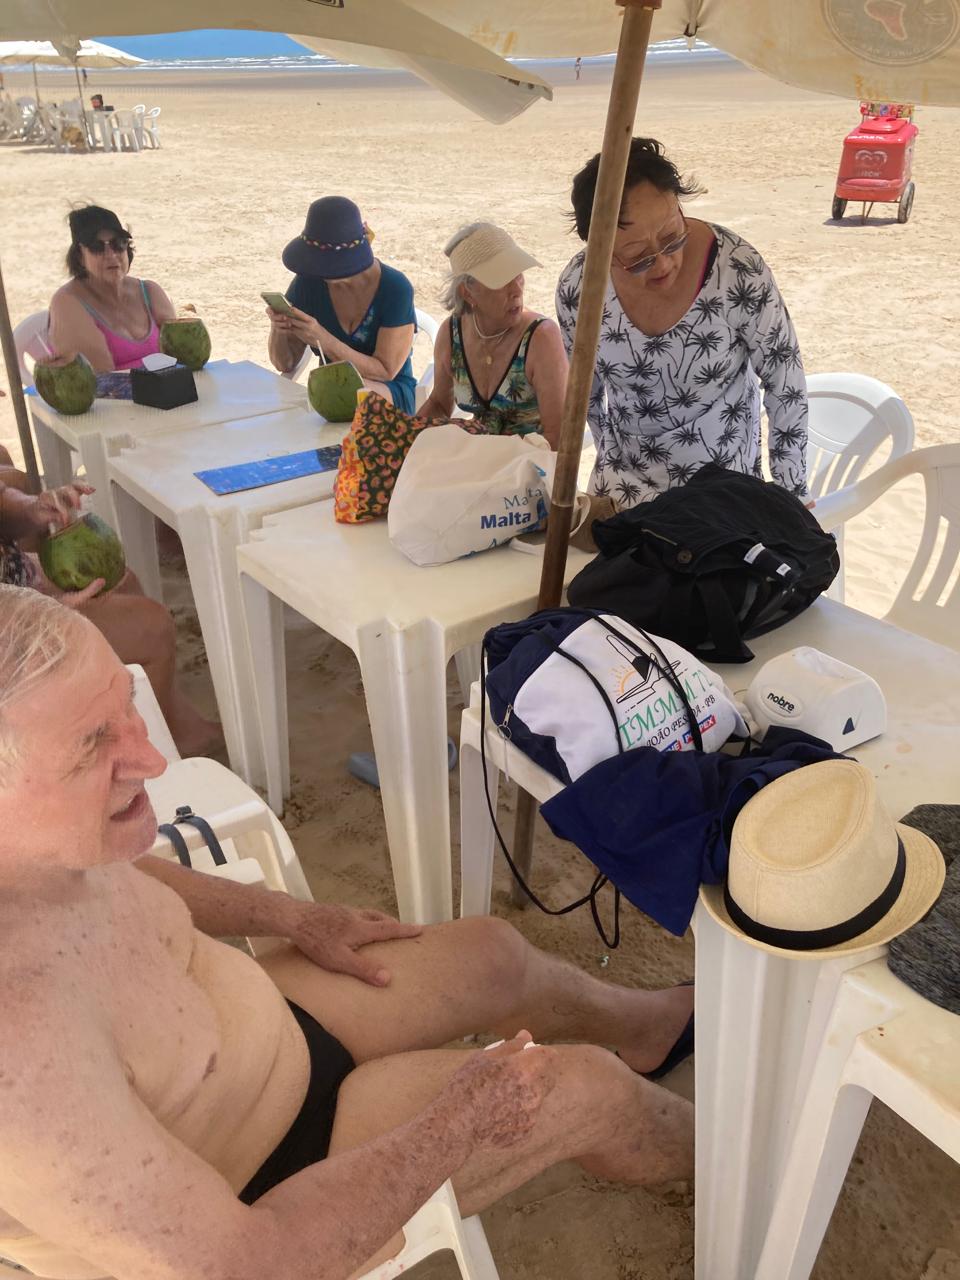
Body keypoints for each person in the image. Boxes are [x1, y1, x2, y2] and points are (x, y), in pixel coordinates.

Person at [0, 587, 695, 1280]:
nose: (153, 760)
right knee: (586, 1091)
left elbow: (138, 874)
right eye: (91, 747)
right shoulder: (22, 1063)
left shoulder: (49, 841)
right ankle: (734, 1163)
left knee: (493, 955)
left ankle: (650, 1029)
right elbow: (245, 1267)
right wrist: (455, 1125)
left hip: (268, 1037)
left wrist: (289, 916)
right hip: (271, 1186)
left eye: (127, 705)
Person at [556, 137, 809, 507]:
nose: (662, 263)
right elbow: (585, 395)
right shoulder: (580, 288)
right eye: (637, 257)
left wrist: (792, 495)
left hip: (723, 491)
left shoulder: (738, 270)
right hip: (621, 486)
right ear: (599, 249)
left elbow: (785, 380)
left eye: (672, 237)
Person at [0, 483, 219, 757]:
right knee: (151, 627)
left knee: (122, 582)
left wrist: (32, 509)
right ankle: (141, 755)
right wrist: (43, 612)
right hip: (8, 622)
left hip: (14, 578)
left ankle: (177, 726)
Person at [417, 223, 568, 447]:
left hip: (531, 462)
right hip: (477, 458)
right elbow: (439, 403)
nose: (516, 290)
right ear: (467, 293)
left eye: (518, 275)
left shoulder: (540, 338)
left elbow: (558, 438)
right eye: (502, 281)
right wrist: (408, 437)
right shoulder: (452, 333)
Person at [268, 196, 418, 413]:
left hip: (388, 393)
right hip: (332, 393)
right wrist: (279, 328)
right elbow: (285, 364)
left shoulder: (395, 288)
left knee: (355, 394)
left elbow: (385, 372)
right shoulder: (309, 281)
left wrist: (323, 340)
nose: (319, 268)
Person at [47, 205, 176, 372]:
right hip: (111, 389)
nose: (111, 255)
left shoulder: (150, 292)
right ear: (79, 256)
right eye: (97, 247)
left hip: (166, 385)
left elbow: (181, 356)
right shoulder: (67, 303)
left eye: (118, 244)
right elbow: (99, 377)